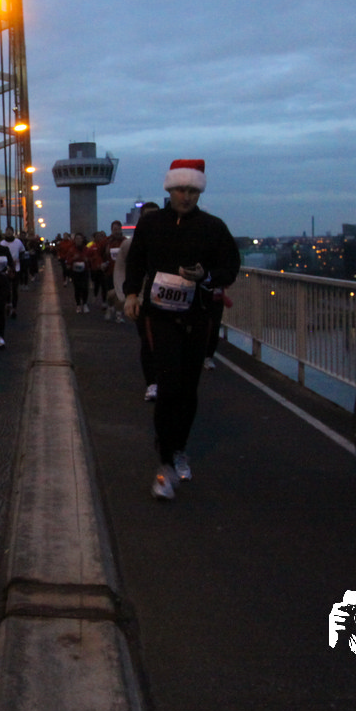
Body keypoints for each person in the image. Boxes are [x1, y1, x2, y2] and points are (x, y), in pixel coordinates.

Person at [124, 160, 240, 500]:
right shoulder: (151, 224)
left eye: (191, 191)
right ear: (169, 190)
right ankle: (165, 461)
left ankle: (178, 449)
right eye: (179, 190)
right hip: (160, 315)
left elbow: (231, 266)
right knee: (168, 384)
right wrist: (130, 294)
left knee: (188, 390)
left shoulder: (213, 227)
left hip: (197, 314)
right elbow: (136, 261)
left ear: (199, 192)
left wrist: (206, 276)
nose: (185, 197)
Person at [114, 202, 161, 398]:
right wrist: (126, 296)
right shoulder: (130, 244)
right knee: (147, 340)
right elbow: (121, 270)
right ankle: (152, 383)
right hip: (142, 300)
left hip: (167, 300)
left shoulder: (168, 240)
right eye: (147, 216)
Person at [1, 226, 25, 315]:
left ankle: (14, 307)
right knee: (6, 288)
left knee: (14, 289)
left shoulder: (18, 242)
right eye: (7, 231)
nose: (8, 233)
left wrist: (19, 260)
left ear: (13, 232)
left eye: (10, 231)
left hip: (16, 268)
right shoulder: (2, 243)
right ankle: (8, 303)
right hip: (5, 269)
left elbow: (22, 252)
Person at [66, 232, 91, 313]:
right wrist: (73, 259)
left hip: (84, 271)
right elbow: (68, 261)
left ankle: (85, 304)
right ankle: (78, 305)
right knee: (77, 288)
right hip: (75, 272)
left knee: (85, 288)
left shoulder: (87, 249)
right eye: (77, 239)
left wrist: (87, 260)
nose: (78, 240)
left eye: (80, 238)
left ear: (82, 240)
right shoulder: (71, 250)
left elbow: (91, 259)